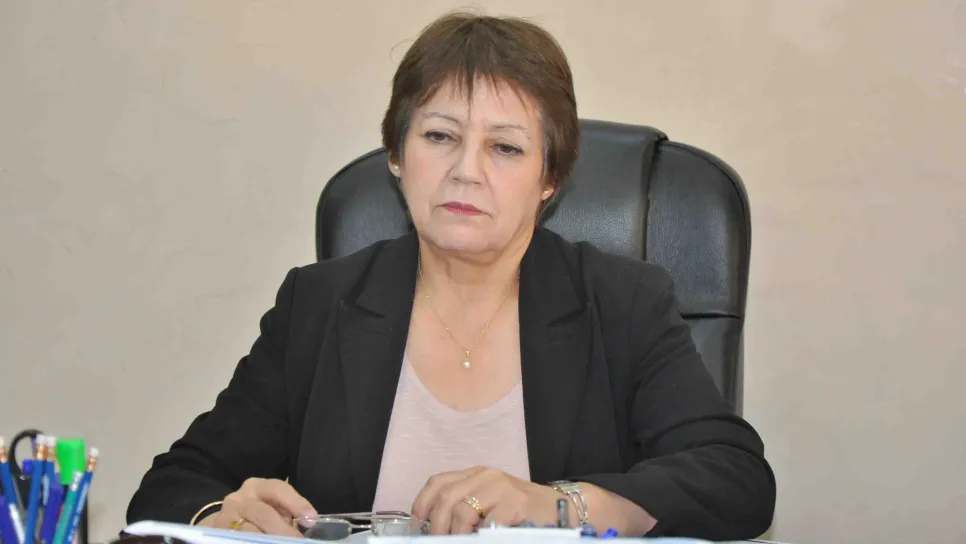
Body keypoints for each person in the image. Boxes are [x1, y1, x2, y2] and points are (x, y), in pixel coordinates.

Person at [126, 11, 776, 541]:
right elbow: (173, 486)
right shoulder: (319, 304)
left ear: (549, 178)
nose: (467, 170)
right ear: (396, 154)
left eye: (505, 147)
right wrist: (221, 517)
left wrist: (559, 504)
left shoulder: (621, 302)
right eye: (439, 136)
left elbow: (737, 480)